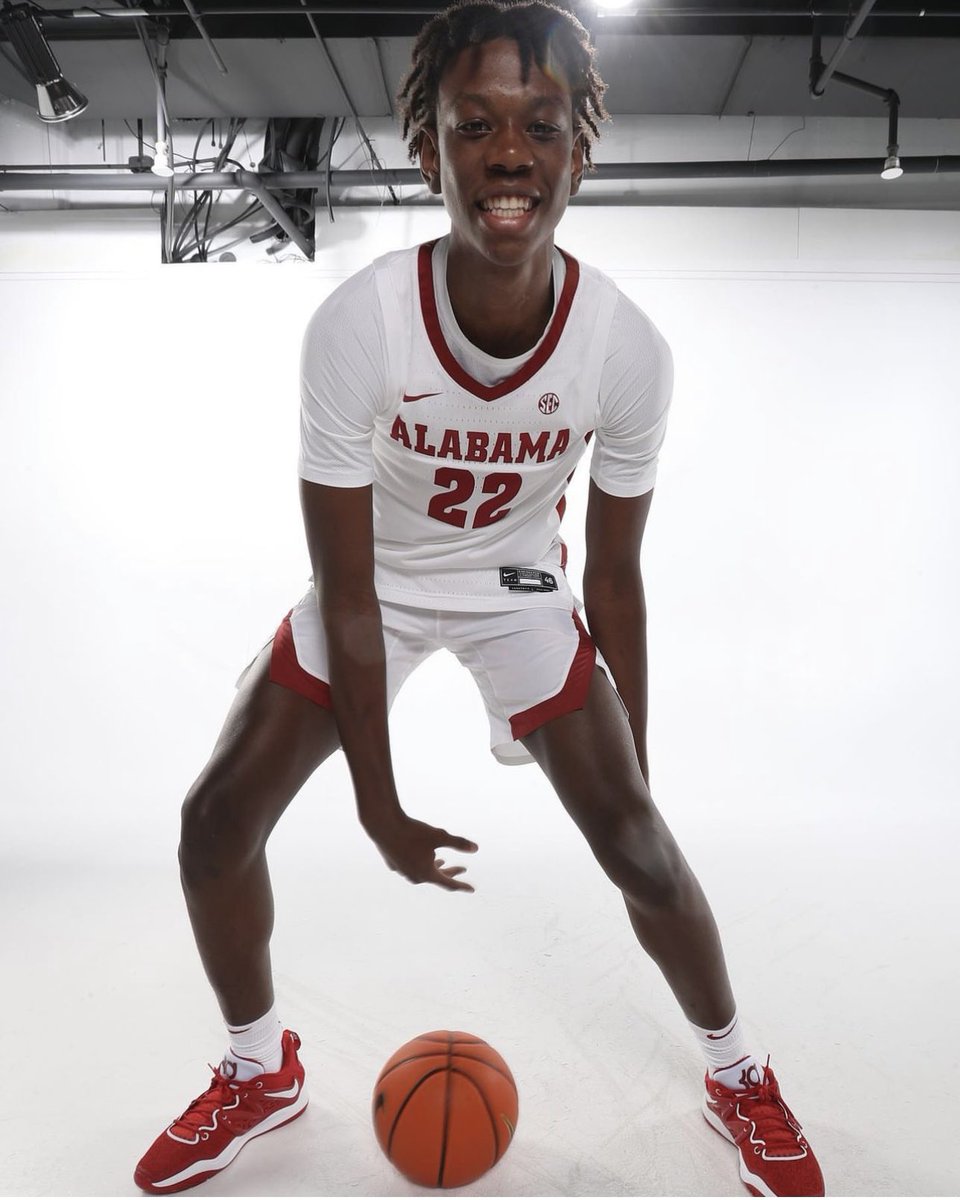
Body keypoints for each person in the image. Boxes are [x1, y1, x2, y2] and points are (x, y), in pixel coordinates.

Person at [134, 2, 824, 1196]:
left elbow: (613, 576)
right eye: (475, 125)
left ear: (578, 147)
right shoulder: (360, 327)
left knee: (648, 859)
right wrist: (379, 806)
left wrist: (637, 788)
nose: (509, 152)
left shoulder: (624, 347)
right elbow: (349, 594)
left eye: (540, 126)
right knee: (211, 824)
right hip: (382, 583)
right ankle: (260, 1070)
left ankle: (738, 1075)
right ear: (430, 148)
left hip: (520, 588)